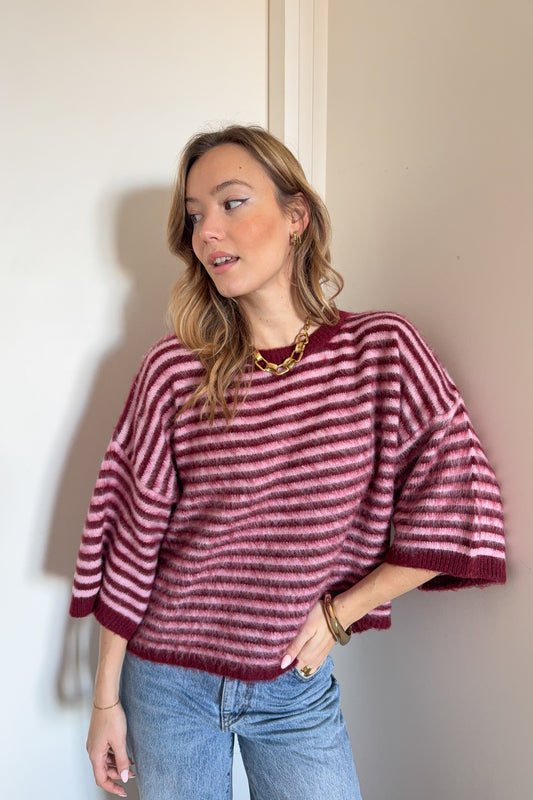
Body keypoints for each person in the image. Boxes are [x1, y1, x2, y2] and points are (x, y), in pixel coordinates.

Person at [70, 124, 506, 800]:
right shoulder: (175, 370)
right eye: (194, 216)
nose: (208, 232)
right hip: (167, 684)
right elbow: (130, 538)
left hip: (293, 687)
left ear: (296, 215)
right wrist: (105, 702)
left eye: (232, 203)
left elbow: (461, 501)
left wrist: (341, 613)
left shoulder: (380, 351)